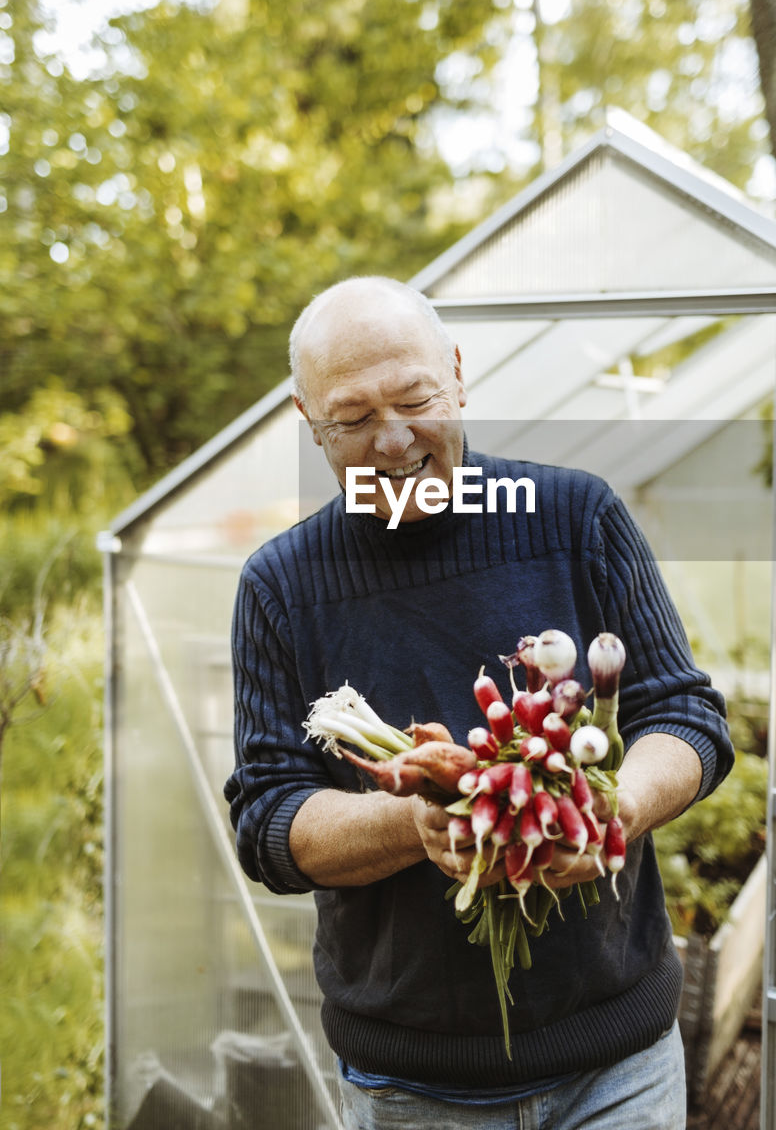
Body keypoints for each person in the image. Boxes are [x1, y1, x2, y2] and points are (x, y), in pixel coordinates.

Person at [224, 275, 734, 1130]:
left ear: (456, 374)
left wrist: (608, 814)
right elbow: (268, 822)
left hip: (617, 1067)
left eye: (415, 398)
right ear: (306, 420)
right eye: (351, 418)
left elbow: (682, 716)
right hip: (410, 1086)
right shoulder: (279, 584)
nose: (391, 440)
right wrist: (416, 826)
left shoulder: (576, 518)